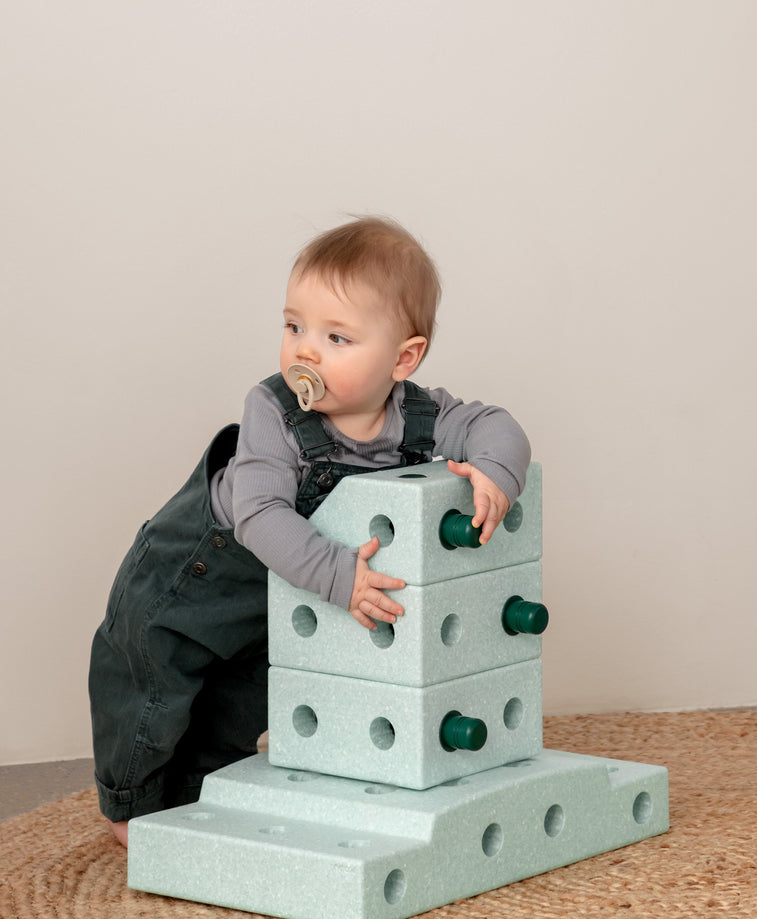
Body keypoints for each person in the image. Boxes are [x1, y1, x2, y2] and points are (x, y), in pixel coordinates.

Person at [89, 216, 531, 848]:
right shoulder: (272, 409)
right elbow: (261, 514)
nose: (305, 351)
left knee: (245, 698)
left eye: (336, 337)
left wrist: (493, 473)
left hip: (287, 589)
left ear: (403, 358)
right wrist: (340, 575)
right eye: (294, 326)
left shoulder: (420, 418)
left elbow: (499, 425)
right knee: (152, 683)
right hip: (197, 574)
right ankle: (129, 804)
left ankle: (192, 801)